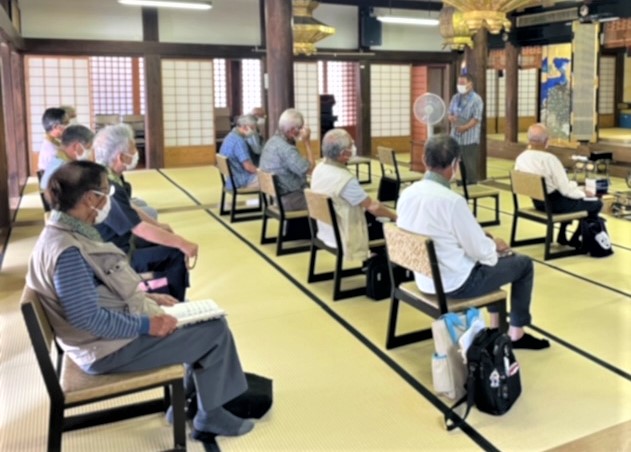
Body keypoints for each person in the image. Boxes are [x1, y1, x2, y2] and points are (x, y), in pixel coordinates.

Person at [26, 161, 254, 439]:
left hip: (100, 340)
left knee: (203, 320)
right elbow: (88, 318)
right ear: (89, 199)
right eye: (105, 192)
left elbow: (97, 288)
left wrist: (146, 294)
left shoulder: (63, 231)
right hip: (104, 349)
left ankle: (187, 405)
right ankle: (211, 415)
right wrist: (148, 325)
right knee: (214, 331)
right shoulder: (68, 252)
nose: (108, 199)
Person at [397, 135, 550, 350]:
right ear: (454, 164)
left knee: (495, 261)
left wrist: (482, 241)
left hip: (424, 277)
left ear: (424, 159)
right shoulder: (452, 201)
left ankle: (496, 330)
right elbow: (481, 253)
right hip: (455, 284)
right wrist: (494, 246)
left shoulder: (407, 193)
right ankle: (516, 332)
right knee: (521, 264)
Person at [94, 124, 197, 301]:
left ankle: (166, 294)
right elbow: (139, 228)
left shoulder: (106, 175)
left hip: (118, 245)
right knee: (175, 253)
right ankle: (177, 304)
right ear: (120, 156)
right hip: (115, 258)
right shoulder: (108, 187)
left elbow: (131, 208)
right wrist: (183, 243)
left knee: (167, 242)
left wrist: (159, 226)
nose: (136, 152)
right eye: (133, 148)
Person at [311, 128, 397, 261]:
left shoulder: (319, 168)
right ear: (343, 153)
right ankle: (379, 266)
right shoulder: (344, 179)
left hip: (325, 230)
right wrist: (395, 217)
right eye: (351, 145)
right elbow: (373, 206)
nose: (354, 147)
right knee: (387, 225)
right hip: (343, 233)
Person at [515, 123, 603, 246]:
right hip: (555, 205)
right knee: (595, 203)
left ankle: (562, 235)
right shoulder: (549, 159)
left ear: (528, 139)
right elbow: (565, 190)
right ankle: (575, 238)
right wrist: (583, 192)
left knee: (570, 199)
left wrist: (576, 189)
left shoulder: (521, 158)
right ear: (546, 141)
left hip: (538, 202)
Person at [259, 108, 315, 211]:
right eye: (301, 127)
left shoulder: (272, 141)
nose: (303, 130)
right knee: (327, 205)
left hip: (275, 196)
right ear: (293, 130)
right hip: (289, 199)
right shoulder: (286, 149)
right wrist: (307, 142)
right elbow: (310, 170)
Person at [448, 74, 483, 184]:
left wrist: (465, 127)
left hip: (469, 138)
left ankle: (472, 186)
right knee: (457, 162)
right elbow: (449, 113)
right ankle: (460, 184)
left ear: (470, 84)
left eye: (462, 83)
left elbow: (476, 118)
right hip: (455, 136)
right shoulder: (455, 97)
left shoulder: (476, 99)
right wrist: (451, 118)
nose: (460, 86)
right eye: (459, 83)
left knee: (469, 163)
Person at [40, 124, 95, 190]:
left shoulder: (59, 160)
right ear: (76, 147)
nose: (89, 152)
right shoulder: (66, 170)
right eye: (88, 148)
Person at [219, 114, 260, 190]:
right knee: (273, 180)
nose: (254, 131)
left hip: (230, 180)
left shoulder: (230, 136)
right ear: (244, 127)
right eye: (252, 128)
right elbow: (248, 167)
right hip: (241, 181)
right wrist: (262, 172)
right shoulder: (239, 142)